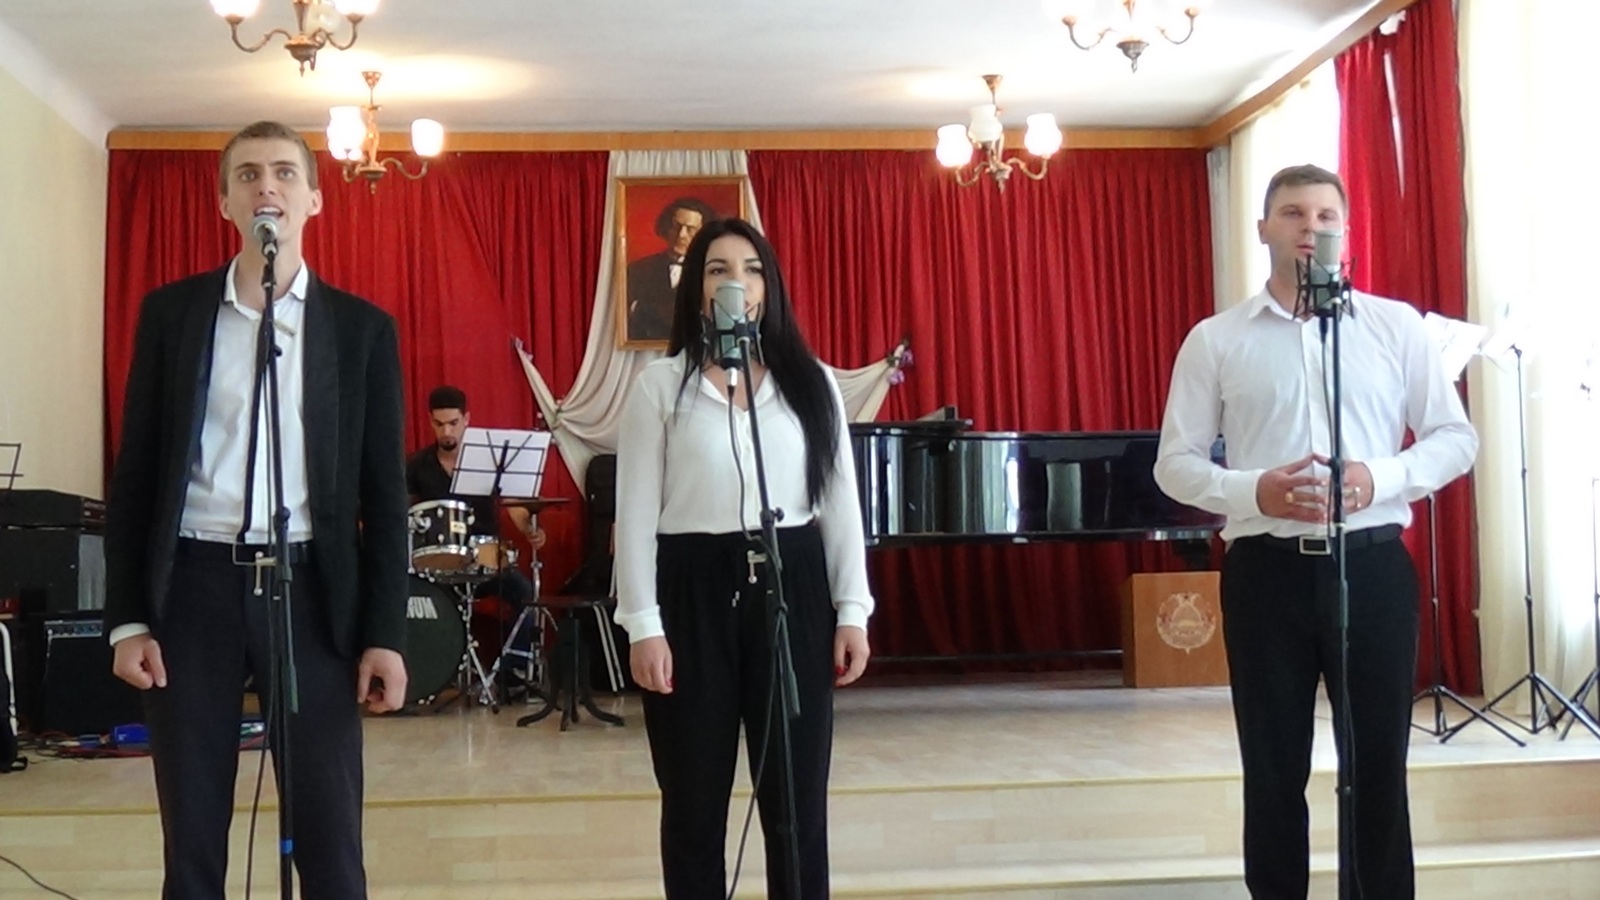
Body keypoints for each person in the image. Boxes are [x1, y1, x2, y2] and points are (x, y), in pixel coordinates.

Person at [1153, 164, 1478, 899]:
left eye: (1326, 215)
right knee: (1273, 768)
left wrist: (1377, 479)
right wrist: (1253, 488)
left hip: (1372, 568)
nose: (1311, 227)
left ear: (1345, 229)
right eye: (1294, 214)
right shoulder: (1216, 339)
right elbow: (1174, 464)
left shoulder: (1395, 326)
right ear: (1264, 228)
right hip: (1266, 575)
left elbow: (1455, 438)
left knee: (1378, 766)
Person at [103, 120, 410, 899]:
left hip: (311, 592)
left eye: (283, 172)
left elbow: (385, 498)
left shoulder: (362, 331)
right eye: (246, 175)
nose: (265, 186)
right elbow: (135, 476)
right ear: (225, 203)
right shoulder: (173, 316)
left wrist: (384, 633)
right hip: (193, 587)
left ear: (314, 199)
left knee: (330, 835)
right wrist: (128, 618)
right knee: (193, 832)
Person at [615, 217, 873, 899]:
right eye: (718, 269)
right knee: (693, 802)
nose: (737, 282)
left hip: (792, 586)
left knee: (795, 804)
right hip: (691, 592)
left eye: (752, 269)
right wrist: (643, 624)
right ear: (696, 290)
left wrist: (852, 610)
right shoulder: (659, 387)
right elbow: (634, 517)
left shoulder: (809, 382)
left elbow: (839, 503)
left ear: (769, 287)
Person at [405, 385, 544, 684]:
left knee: (525, 593)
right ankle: (433, 675)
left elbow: (512, 504)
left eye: (453, 423)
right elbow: (402, 512)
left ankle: (511, 671)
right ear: (430, 421)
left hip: (485, 559)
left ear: (466, 419)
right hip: (438, 566)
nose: (446, 432)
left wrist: (529, 530)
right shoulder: (417, 465)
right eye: (439, 424)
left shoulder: (488, 460)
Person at [626, 197, 718, 342]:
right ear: (666, 227)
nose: (681, 235)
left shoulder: (715, 272)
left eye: (690, 229)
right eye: (676, 226)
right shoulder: (638, 270)